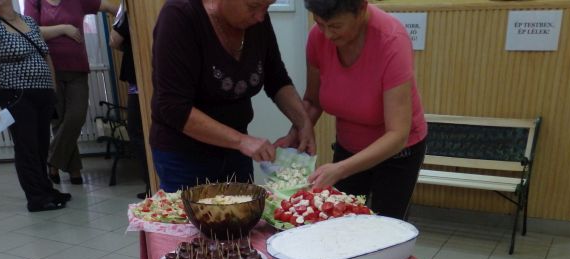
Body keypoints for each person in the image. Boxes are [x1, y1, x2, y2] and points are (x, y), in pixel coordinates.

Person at [279, 0, 427, 220]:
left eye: (336, 26)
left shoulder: (391, 41)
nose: (327, 34)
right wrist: (299, 130)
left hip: (397, 153)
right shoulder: (317, 38)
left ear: (361, 9)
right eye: (320, 23)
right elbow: (313, 100)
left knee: (386, 227)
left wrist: (340, 169)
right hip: (348, 147)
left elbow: (397, 134)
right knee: (339, 222)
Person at [150, 0, 315, 192]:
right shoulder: (179, 15)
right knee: (192, 212)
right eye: (253, 7)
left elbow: (277, 79)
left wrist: (303, 123)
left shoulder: (257, 21)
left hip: (235, 152)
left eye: (266, 7)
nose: (260, 17)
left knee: (243, 209)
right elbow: (174, 108)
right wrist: (242, 141)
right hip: (184, 155)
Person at [0, 0, 70, 212]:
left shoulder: (29, 22)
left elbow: (45, 55)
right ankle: (37, 198)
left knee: (41, 145)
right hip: (15, 95)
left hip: (43, 93)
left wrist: (53, 88)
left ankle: (46, 189)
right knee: (27, 147)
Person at [25, 0, 118, 185]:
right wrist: (64, 29)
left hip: (77, 68)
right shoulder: (34, 1)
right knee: (59, 121)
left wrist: (123, 26)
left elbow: (111, 7)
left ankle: (51, 159)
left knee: (76, 117)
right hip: (49, 69)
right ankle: (74, 169)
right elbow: (31, 31)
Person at [109, 2, 150, 199]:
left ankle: (152, 183)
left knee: (138, 131)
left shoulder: (130, 6)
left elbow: (114, 40)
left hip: (141, 76)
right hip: (161, 72)